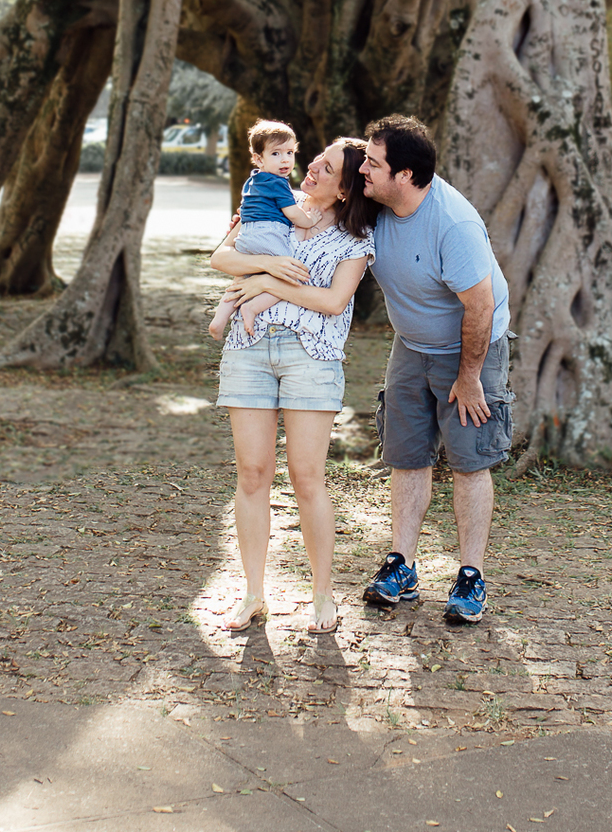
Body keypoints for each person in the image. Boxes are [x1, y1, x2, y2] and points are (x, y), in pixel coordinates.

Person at [210, 138, 377, 635]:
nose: (310, 170)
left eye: (325, 169)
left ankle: (322, 595)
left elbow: (331, 301)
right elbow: (222, 257)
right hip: (248, 348)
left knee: (307, 478)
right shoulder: (270, 204)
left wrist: (266, 283)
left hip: (312, 357)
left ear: (345, 189)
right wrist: (268, 268)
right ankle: (254, 594)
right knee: (253, 474)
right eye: (315, 161)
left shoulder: (356, 239)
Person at [359, 114, 511, 626]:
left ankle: (471, 577)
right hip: (412, 344)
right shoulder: (374, 205)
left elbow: (481, 308)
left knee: (469, 460)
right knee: (406, 454)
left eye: (373, 164)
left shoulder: (454, 223)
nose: (364, 169)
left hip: (471, 346)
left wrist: (468, 379)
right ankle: (401, 565)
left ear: (405, 176)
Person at [209, 119, 321, 341]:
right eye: (276, 154)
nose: (285, 160)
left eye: (289, 152)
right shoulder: (278, 183)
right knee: (290, 278)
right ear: (259, 158)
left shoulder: (253, 180)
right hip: (269, 235)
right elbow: (292, 213)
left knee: (242, 279)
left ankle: (219, 319)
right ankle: (251, 309)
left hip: (247, 236)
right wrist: (309, 220)